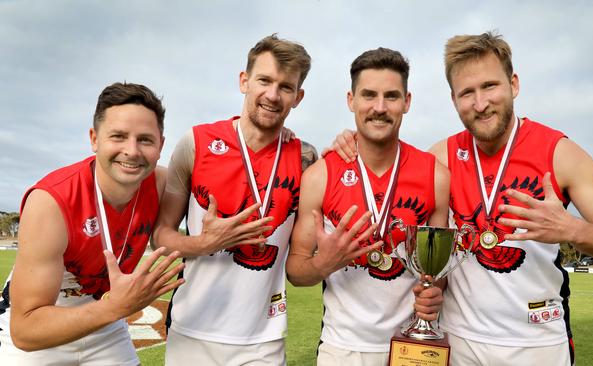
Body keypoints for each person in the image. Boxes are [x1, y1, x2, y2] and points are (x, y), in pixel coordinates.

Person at [329, 32, 593, 365]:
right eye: (467, 93)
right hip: (459, 342)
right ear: (454, 100)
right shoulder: (440, 159)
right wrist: (347, 144)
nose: (479, 104)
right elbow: (384, 167)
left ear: (514, 83)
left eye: (490, 86)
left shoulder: (559, 154)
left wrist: (572, 229)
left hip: (537, 343)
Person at [151, 34, 317, 366]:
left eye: (285, 87)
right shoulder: (196, 143)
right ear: (244, 81)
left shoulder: (306, 160)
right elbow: (161, 234)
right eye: (264, 81)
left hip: (263, 340)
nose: (272, 95)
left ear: (298, 97)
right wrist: (204, 242)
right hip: (192, 331)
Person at [0, 82, 185, 365]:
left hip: (105, 322)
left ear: (160, 144)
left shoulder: (162, 183)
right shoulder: (50, 201)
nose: (132, 151)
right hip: (43, 321)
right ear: (94, 139)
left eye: (145, 139)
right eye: (118, 136)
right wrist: (115, 307)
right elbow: (25, 331)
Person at [287, 47, 450, 366]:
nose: (379, 107)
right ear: (351, 100)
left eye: (391, 96)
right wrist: (325, 264)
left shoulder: (436, 175)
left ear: (407, 102)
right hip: (342, 349)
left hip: (413, 347)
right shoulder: (321, 174)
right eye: (368, 95)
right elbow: (295, 270)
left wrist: (434, 292)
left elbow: (437, 269)